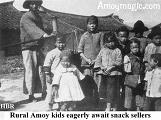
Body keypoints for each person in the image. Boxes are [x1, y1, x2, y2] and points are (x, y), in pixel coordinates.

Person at [20, 0, 52, 101]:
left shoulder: (38, 17)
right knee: (30, 71)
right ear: (29, 5)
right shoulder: (26, 17)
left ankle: (44, 91)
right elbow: (33, 29)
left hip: (38, 47)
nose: (35, 5)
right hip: (28, 47)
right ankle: (31, 94)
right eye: (32, 3)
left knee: (41, 70)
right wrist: (43, 34)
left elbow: (44, 28)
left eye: (36, 4)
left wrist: (49, 31)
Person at [77, 15, 104, 108]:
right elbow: (80, 51)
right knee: (87, 84)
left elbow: (102, 49)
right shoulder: (84, 36)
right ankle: (88, 102)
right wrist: (87, 60)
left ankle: (96, 102)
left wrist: (96, 60)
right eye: (90, 24)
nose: (92, 26)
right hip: (86, 65)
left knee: (98, 84)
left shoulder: (100, 34)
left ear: (97, 25)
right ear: (87, 25)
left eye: (94, 24)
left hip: (97, 65)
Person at [94, 32, 122, 111]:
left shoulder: (117, 50)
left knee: (114, 91)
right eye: (108, 42)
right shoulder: (103, 50)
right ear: (105, 42)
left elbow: (119, 62)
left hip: (114, 74)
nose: (110, 44)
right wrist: (102, 68)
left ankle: (115, 106)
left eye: (112, 41)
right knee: (107, 91)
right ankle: (108, 106)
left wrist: (111, 68)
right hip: (105, 74)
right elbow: (98, 60)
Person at [43, 35, 66, 111]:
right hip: (53, 75)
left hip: (62, 76)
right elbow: (46, 65)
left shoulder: (66, 52)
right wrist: (47, 75)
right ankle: (49, 106)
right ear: (55, 43)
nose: (61, 44)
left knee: (61, 92)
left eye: (63, 43)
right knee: (51, 92)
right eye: (59, 43)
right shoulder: (52, 53)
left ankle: (60, 106)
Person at [124, 38, 145, 111]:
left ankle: (138, 108)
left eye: (137, 47)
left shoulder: (141, 57)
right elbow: (126, 69)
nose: (135, 49)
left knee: (139, 94)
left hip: (139, 77)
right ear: (130, 48)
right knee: (128, 94)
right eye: (133, 47)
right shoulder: (127, 56)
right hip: (130, 77)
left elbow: (142, 67)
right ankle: (128, 109)